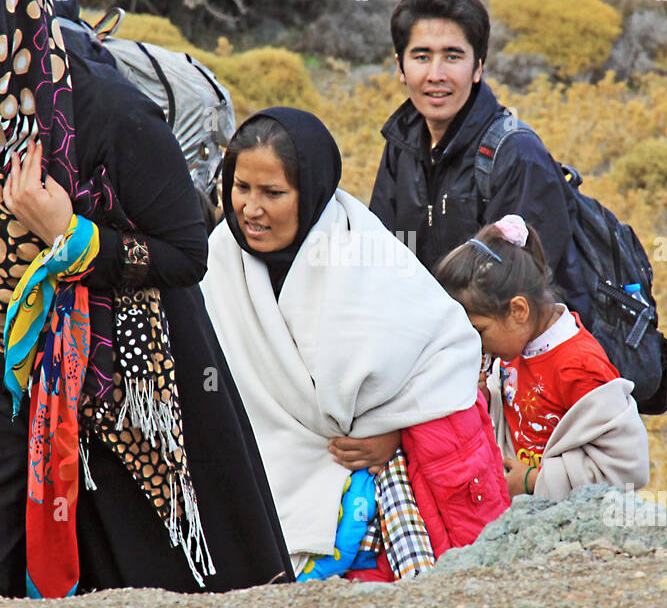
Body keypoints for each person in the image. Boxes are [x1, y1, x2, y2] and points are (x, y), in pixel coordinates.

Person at [0, 0, 292, 600]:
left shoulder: (107, 112)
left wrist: (71, 236)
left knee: (166, 582)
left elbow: (187, 252)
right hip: (13, 350)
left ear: (14, 22)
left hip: (130, 366)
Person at [200, 108, 510, 581]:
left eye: (273, 193)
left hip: (380, 493)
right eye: (241, 188)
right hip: (258, 482)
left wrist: (397, 431)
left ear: (313, 193)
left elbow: (446, 358)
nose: (251, 209)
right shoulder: (220, 259)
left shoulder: (360, 252)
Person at [369, 0, 591, 321]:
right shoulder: (403, 144)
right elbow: (383, 259)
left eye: (452, 56)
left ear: (478, 67)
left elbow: (519, 301)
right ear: (400, 67)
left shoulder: (516, 155)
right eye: (421, 56)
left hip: (512, 359)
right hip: (429, 348)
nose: (436, 74)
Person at [435, 216, 649, 498]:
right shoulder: (516, 346)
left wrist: (534, 481)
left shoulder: (579, 366)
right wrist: (485, 400)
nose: (477, 345)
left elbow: (626, 469)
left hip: (574, 532)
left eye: (479, 331)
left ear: (518, 311)